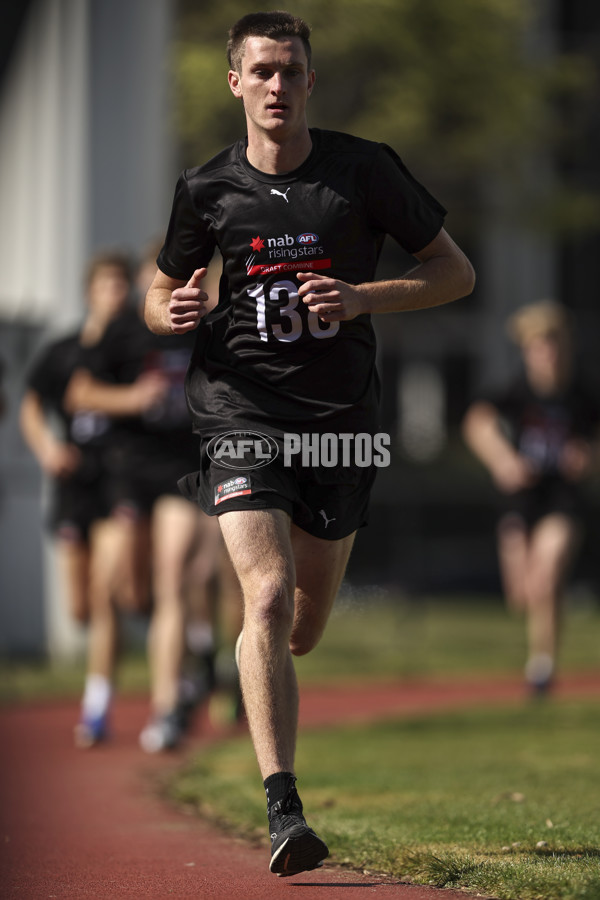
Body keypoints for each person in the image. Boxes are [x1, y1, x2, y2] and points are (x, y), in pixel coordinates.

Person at [144, 10, 475, 876]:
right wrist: (168, 309)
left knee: (301, 627)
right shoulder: (205, 188)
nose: (277, 87)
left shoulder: (363, 171)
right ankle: (284, 809)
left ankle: (252, 664)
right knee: (265, 593)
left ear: (310, 82)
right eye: (261, 72)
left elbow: (456, 272)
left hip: (339, 427)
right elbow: (159, 290)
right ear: (235, 83)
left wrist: (364, 298)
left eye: (290, 71)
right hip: (237, 409)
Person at [66, 246, 234, 753]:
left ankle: (166, 709)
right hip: (128, 472)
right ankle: (194, 662)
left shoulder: (211, 328)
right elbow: (79, 393)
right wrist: (132, 399)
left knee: (175, 575)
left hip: (181, 471)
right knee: (125, 591)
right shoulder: (125, 333)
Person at [20, 251, 155, 745]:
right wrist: (47, 447)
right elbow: (34, 406)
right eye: (107, 285)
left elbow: (147, 394)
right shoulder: (62, 350)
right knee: (79, 607)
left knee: (106, 594)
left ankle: (96, 707)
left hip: (118, 477)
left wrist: (137, 399)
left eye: (123, 285)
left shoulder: (138, 343)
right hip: (73, 482)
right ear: (90, 291)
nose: (116, 293)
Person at [462, 300, 600, 694]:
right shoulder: (515, 390)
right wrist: (504, 461)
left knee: (548, 572)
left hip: (564, 497)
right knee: (521, 594)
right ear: (527, 350)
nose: (548, 354)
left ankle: (542, 667)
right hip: (522, 498)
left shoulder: (584, 394)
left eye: (555, 344)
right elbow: (477, 422)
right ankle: (539, 655)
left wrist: (589, 455)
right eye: (539, 346)